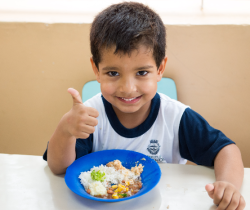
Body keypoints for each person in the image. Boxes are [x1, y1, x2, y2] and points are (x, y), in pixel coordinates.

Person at [43, 2, 245, 209]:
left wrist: (228, 185)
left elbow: (226, 150)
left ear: (160, 69)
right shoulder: (91, 115)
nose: (128, 88)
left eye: (141, 73)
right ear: (96, 69)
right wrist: (65, 129)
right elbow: (60, 168)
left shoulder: (175, 117)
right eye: (113, 73)